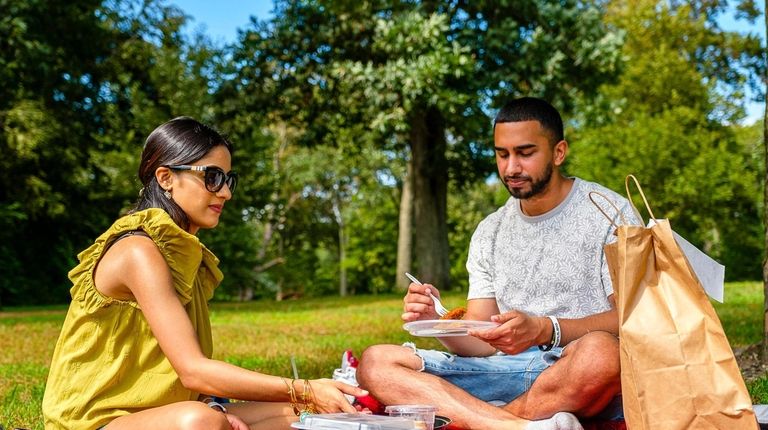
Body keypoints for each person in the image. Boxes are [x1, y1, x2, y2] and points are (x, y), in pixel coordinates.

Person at [42, 117, 366, 430]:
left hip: (164, 413)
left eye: (227, 179)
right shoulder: (138, 252)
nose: (225, 192)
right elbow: (193, 371)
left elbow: (175, 375)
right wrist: (304, 387)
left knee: (311, 414)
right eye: (212, 177)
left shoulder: (185, 253)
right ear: (166, 177)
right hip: (95, 422)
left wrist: (214, 404)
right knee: (200, 422)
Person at [356, 97, 637, 430]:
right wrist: (438, 321)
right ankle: (521, 424)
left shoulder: (609, 213)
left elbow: (633, 318)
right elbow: (480, 339)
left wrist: (546, 329)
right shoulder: (490, 230)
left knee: (603, 354)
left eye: (525, 153)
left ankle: (487, 417)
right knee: (377, 362)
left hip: (575, 371)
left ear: (559, 152)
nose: (511, 168)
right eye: (502, 154)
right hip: (504, 372)